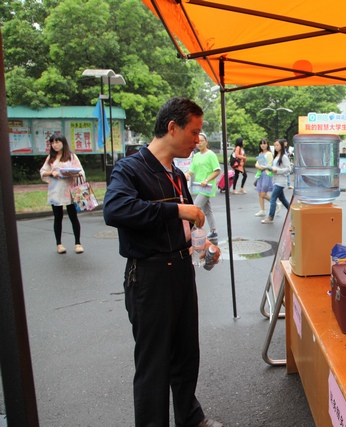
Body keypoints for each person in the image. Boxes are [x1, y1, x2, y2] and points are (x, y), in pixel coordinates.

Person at [103, 97, 223, 427]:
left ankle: (190, 417)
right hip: (150, 275)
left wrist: (203, 246)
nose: (197, 140)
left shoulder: (177, 175)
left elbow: (188, 223)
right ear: (172, 127)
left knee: (186, 354)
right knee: (153, 364)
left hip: (181, 270)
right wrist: (176, 209)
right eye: (193, 132)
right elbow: (115, 210)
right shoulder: (130, 169)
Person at [39, 134, 85, 254]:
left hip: (69, 190)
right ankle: (59, 244)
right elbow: (42, 172)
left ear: (63, 143)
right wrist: (51, 173)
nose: (55, 145)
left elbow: (81, 172)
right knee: (57, 217)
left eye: (57, 142)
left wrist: (70, 173)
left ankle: (78, 243)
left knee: (73, 216)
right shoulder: (51, 158)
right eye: (52, 143)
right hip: (55, 191)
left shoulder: (71, 156)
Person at [185, 133, 221, 245]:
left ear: (206, 142)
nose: (199, 143)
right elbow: (192, 170)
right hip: (199, 186)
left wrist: (207, 180)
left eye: (201, 141)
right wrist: (187, 175)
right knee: (207, 210)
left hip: (207, 187)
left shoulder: (211, 155)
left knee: (196, 208)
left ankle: (194, 231)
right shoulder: (196, 156)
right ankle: (213, 231)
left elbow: (217, 170)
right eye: (197, 141)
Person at [262, 139, 291, 224]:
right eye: (274, 145)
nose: (276, 147)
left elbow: (288, 169)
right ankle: (293, 212)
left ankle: (270, 217)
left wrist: (277, 170)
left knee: (273, 198)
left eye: (277, 145)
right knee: (282, 199)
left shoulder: (284, 157)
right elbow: (275, 167)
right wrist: (269, 168)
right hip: (276, 180)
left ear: (281, 146)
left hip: (281, 181)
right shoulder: (276, 155)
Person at [254, 138, 274, 217]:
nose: (262, 145)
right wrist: (258, 166)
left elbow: (269, 165)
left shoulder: (269, 154)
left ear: (267, 144)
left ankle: (275, 203)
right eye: (261, 143)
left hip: (266, 174)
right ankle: (262, 210)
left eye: (264, 143)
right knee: (259, 193)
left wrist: (261, 167)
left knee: (263, 194)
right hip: (260, 174)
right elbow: (256, 164)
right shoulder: (260, 154)